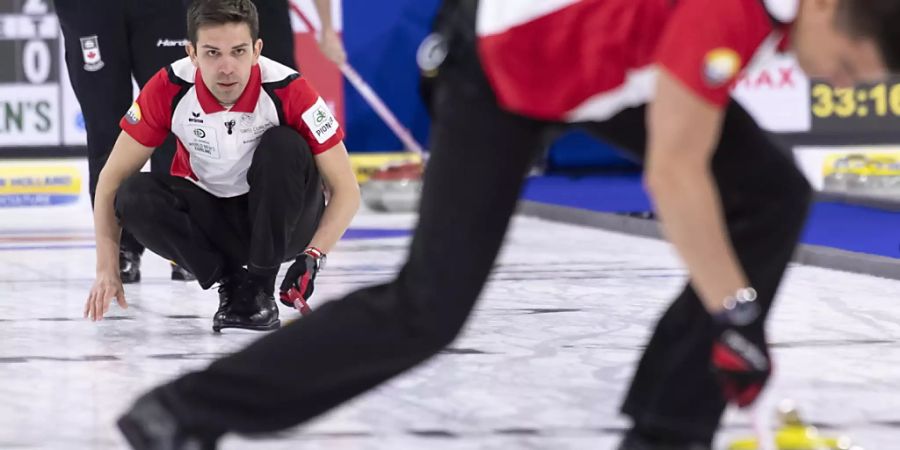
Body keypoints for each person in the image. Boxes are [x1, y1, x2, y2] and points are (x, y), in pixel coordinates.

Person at [116, 0, 900, 449]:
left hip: (585, 74)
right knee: (430, 308)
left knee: (772, 190)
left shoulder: (774, 15)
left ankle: (667, 430)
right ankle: (186, 411)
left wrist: (737, 315)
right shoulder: (728, 11)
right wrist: (736, 312)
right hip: (493, 73)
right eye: (854, 62)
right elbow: (674, 170)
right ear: (831, 8)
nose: (846, 81)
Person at [82, 0, 360, 334]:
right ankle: (232, 285)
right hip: (217, 224)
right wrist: (106, 269)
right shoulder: (168, 87)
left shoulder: (289, 88)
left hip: (287, 225)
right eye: (213, 53)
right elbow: (110, 181)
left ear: (257, 50)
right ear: (192, 53)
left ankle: (260, 287)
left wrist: (314, 256)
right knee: (133, 194)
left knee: (284, 145)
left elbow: (347, 190)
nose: (227, 67)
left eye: (239, 51)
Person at [56, 0, 197, 282]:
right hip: (92, 10)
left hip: (161, 9)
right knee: (105, 128)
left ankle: (180, 238)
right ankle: (118, 246)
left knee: (174, 115)